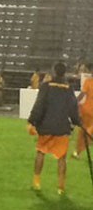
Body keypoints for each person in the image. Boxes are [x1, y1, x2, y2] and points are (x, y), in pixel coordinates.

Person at [27, 62, 81, 194]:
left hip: (46, 126)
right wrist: (77, 121)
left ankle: (36, 182)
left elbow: (39, 105)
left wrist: (32, 121)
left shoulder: (46, 86)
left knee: (41, 152)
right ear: (64, 73)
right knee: (62, 157)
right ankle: (61, 187)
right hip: (62, 127)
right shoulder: (68, 88)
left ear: (54, 72)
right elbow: (73, 108)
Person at [73, 73, 93, 160]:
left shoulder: (88, 82)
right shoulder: (88, 81)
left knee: (82, 133)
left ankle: (78, 152)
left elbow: (82, 95)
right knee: (87, 133)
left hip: (86, 110)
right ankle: (78, 151)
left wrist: (74, 102)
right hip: (88, 112)